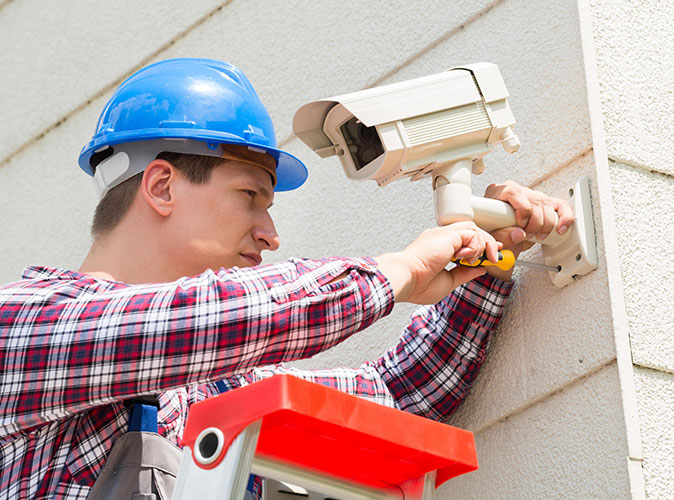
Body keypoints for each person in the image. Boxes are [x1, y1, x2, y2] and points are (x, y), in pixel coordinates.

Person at [0, 58, 573, 500]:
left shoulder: (215, 389)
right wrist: (397, 270)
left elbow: (401, 395)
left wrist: (490, 256)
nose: (270, 234)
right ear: (162, 187)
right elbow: (203, 321)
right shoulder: (20, 328)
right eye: (250, 196)